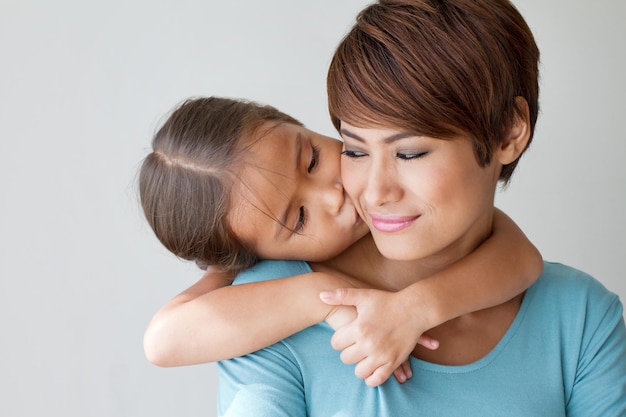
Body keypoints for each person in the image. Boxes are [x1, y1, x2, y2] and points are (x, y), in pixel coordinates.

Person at [217, 0, 626, 415]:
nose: (375, 193)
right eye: (356, 151)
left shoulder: (580, 318)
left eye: (410, 154)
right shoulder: (267, 309)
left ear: (508, 132)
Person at [140, 95, 542, 385]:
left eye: (312, 159)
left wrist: (415, 308)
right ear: (253, 257)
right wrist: (322, 295)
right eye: (298, 217)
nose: (332, 194)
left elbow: (523, 258)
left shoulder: (398, 205)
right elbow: (162, 341)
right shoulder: (267, 282)